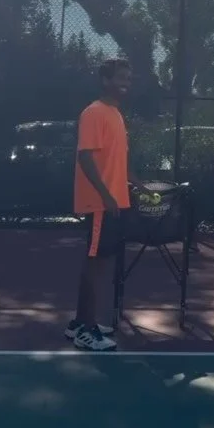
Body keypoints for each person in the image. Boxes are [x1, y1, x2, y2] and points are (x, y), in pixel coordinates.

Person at [67, 58, 148, 351]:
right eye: (121, 77)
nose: (126, 83)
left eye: (129, 78)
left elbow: (117, 161)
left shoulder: (115, 114)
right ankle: (86, 331)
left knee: (99, 262)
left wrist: (139, 183)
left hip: (113, 200)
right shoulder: (94, 113)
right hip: (101, 203)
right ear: (105, 80)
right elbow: (85, 157)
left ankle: (78, 322)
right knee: (95, 265)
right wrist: (105, 195)